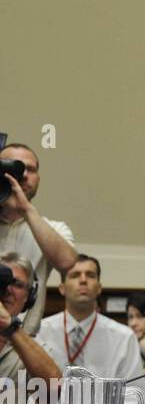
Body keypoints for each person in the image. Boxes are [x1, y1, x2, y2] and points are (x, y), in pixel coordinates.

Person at [34, 255, 143, 404]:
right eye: (75, 275)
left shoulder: (123, 336)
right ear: (62, 288)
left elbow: (136, 394)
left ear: (99, 288)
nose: (83, 280)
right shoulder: (38, 332)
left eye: (90, 275)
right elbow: (20, 389)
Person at [1, 143, 76, 334]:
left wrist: (26, 210)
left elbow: (68, 264)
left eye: (31, 169)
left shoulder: (53, 229)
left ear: (39, 179)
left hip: (23, 344)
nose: (24, 175)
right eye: (15, 167)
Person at [0, 253, 61, 404]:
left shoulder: (33, 349)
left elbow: (52, 391)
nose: (8, 289)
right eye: (3, 281)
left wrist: (9, 325)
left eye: (17, 284)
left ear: (29, 297)